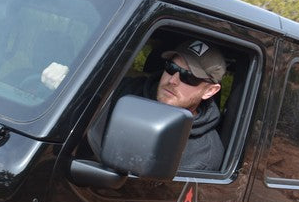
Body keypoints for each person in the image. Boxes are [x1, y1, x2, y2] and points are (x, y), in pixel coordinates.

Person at [93, 38, 227, 172]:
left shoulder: (203, 155)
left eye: (189, 77)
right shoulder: (126, 90)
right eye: (171, 67)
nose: (173, 80)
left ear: (210, 91)